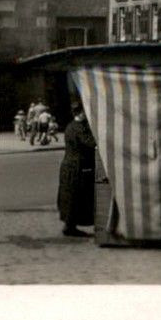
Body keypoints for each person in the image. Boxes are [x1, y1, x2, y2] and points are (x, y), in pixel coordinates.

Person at [58, 97, 98, 237]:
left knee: (72, 197)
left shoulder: (70, 126)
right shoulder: (80, 128)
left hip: (70, 165)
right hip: (78, 167)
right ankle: (70, 226)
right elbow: (91, 143)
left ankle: (70, 225)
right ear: (81, 113)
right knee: (77, 196)